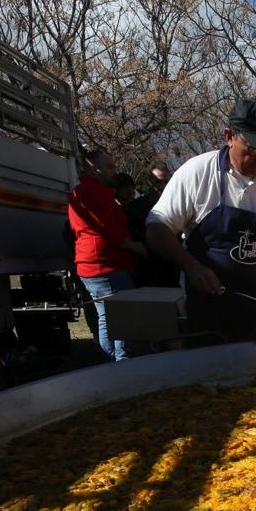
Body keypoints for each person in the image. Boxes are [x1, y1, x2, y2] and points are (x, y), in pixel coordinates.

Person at [145, 98, 256, 343]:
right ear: (229, 136)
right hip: (209, 314)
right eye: (253, 150)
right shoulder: (197, 172)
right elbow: (156, 227)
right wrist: (192, 266)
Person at [68, 149, 146, 361]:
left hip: (91, 265)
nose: (114, 171)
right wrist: (135, 246)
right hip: (105, 265)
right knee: (122, 316)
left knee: (106, 316)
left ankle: (110, 363)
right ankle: (121, 364)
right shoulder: (95, 192)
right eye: (109, 166)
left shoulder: (82, 190)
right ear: (94, 167)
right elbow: (109, 228)